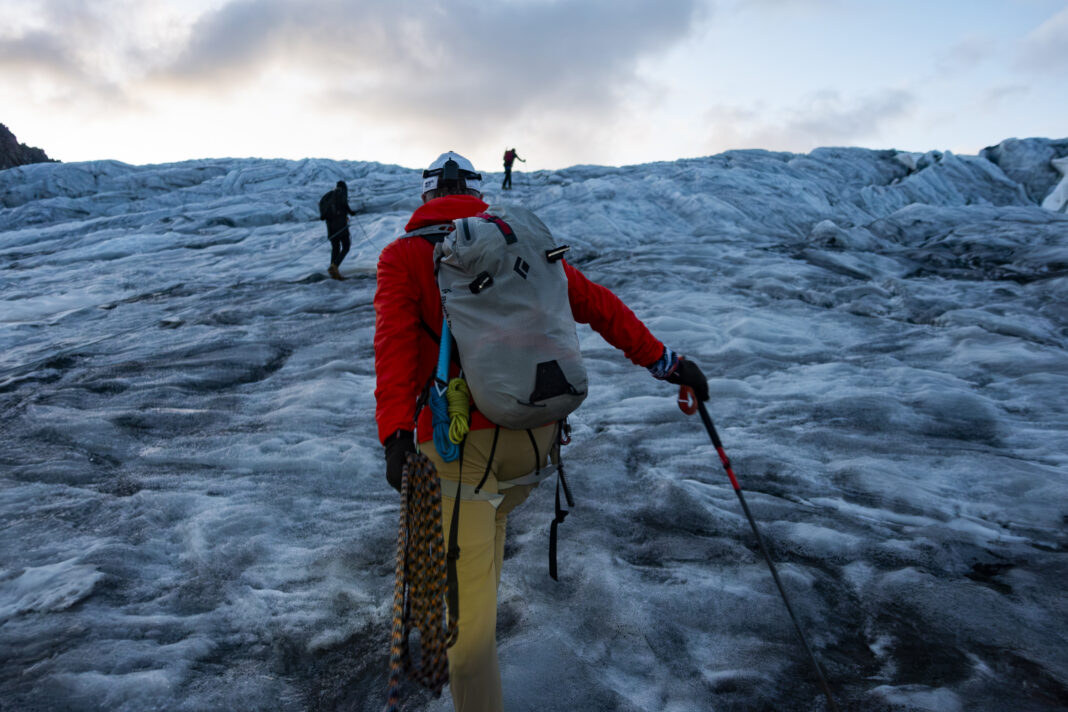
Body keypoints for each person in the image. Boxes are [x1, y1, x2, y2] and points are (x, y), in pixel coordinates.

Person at [373, 151, 709, 712]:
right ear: (477, 193)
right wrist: (668, 363)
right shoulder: (520, 247)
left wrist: (394, 435)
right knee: (484, 547)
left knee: (468, 629)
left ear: (426, 195)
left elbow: (395, 349)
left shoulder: (405, 257)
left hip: (459, 451)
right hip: (534, 444)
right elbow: (598, 306)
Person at [323, 180, 358, 280]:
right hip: (341, 226)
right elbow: (344, 205)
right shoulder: (341, 193)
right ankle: (334, 267)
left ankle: (333, 269)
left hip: (330, 227)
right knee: (346, 246)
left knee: (335, 247)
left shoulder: (330, 196)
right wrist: (351, 213)